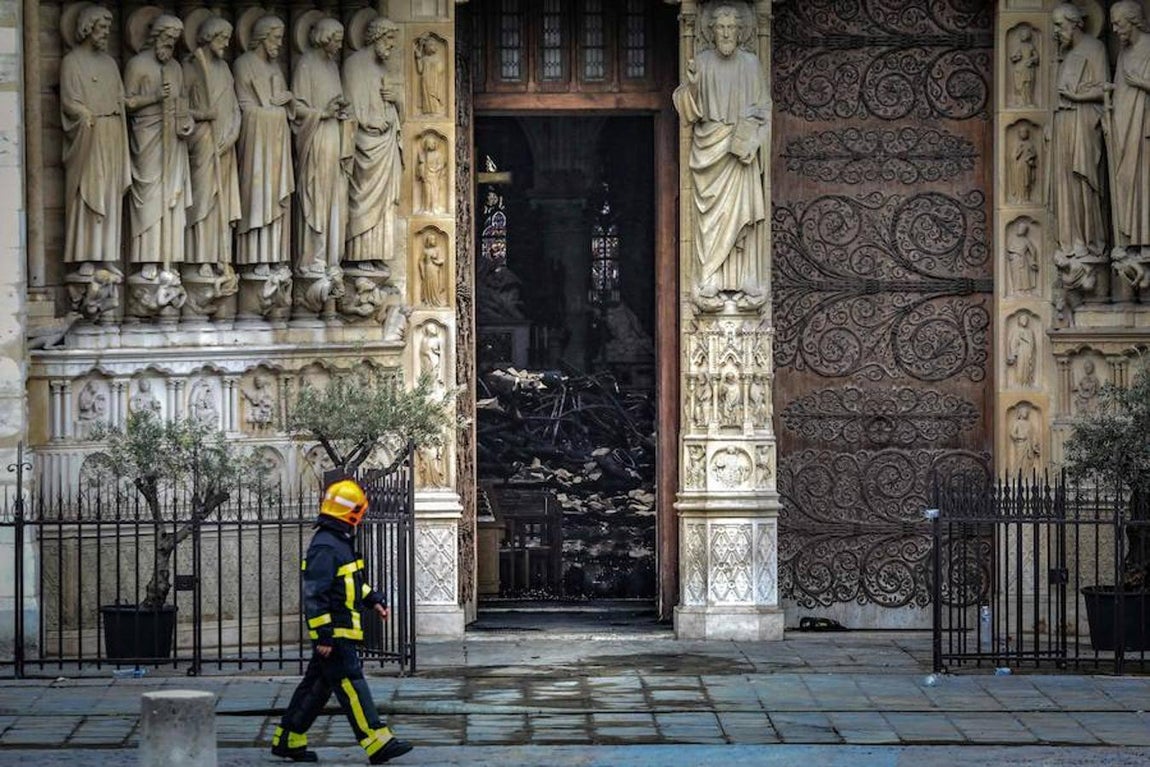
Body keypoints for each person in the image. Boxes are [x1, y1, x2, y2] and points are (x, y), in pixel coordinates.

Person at [272, 479, 413, 764]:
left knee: (317, 686)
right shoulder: (326, 545)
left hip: (340, 629)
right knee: (352, 683)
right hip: (335, 632)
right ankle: (376, 741)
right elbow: (315, 594)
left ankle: (288, 738)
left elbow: (349, 583)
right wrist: (323, 635)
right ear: (352, 513)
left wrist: (372, 598)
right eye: (360, 511)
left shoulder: (338, 542)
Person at [672, 3, 769, 301]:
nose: (726, 33)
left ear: (741, 32)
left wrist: (753, 140)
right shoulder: (701, 62)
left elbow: (765, 109)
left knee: (744, 214)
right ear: (710, 32)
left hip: (740, 153)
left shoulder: (751, 64)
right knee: (710, 220)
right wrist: (692, 85)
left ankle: (745, 277)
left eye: (731, 28)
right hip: (710, 151)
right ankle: (710, 276)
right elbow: (686, 110)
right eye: (720, 28)